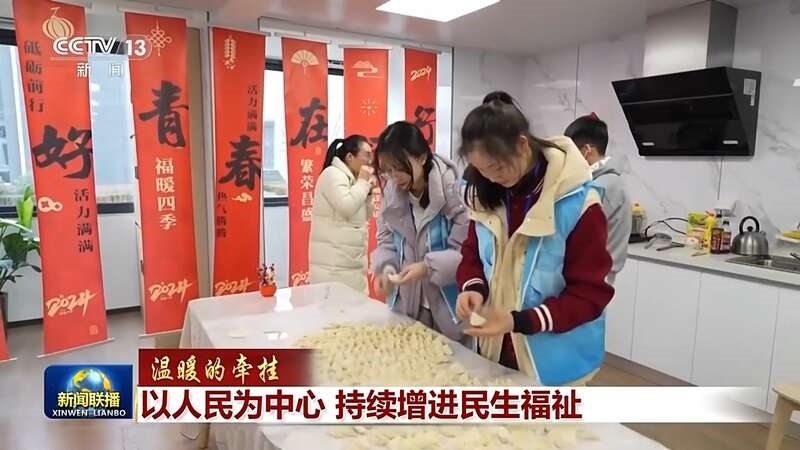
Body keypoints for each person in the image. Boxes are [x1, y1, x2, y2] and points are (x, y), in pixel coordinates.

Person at [454, 91, 614, 386]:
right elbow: (472, 253)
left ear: (522, 144)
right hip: (496, 350)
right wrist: (473, 287)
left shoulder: (578, 205)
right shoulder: (489, 195)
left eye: (496, 167)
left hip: (554, 362)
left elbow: (590, 296)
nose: (490, 178)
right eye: (481, 170)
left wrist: (519, 320)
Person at [370, 121, 470, 345]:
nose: (394, 177)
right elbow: (386, 239)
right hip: (410, 303)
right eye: (387, 170)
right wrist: (387, 269)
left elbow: (466, 251)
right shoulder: (392, 194)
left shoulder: (453, 192)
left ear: (422, 158)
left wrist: (427, 267)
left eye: (399, 168)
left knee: (450, 360)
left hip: (449, 305)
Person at [564, 113, 631, 284]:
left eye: (569, 153)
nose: (566, 160)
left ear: (586, 150)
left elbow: (577, 230)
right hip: (592, 271)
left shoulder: (604, 185)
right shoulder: (600, 180)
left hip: (595, 275)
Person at [309, 134, 376, 293]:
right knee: (338, 307)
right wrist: (363, 183)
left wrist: (368, 193)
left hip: (350, 263)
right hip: (334, 266)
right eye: (367, 154)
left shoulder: (354, 179)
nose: (370, 160)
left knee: (355, 306)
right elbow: (346, 207)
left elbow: (365, 216)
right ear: (350, 157)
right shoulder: (332, 174)